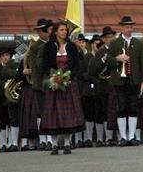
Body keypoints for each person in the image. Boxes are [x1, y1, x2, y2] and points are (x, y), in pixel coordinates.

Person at [40, 21, 85, 155]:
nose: (64, 32)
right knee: (52, 114)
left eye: (65, 30)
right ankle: (54, 145)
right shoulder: (48, 46)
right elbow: (44, 65)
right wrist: (54, 77)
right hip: (54, 83)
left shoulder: (71, 46)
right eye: (61, 30)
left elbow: (77, 65)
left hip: (68, 84)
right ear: (55, 32)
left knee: (68, 114)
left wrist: (68, 77)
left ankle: (66, 144)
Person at [106, 16, 143, 146]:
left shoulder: (138, 43)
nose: (129, 29)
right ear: (122, 28)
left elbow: (142, 64)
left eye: (131, 26)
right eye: (127, 27)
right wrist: (117, 58)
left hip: (134, 79)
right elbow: (108, 61)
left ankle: (131, 136)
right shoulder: (114, 43)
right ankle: (123, 137)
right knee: (121, 107)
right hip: (119, 80)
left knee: (133, 107)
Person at [29, 18, 54, 150]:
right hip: (40, 83)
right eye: (45, 30)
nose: (46, 33)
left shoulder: (52, 43)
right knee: (42, 111)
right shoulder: (35, 46)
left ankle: (51, 139)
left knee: (50, 111)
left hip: (51, 82)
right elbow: (36, 66)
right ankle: (44, 139)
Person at [77, 33, 96, 147]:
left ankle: (88, 138)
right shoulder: (74, 54)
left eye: (83, 42)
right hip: (78, 87)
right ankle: (79, 139)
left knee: (89, 113)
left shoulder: (89, 55)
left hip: (88, 88)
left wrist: (88, 76)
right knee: (78, 114)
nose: (81, 44)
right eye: (79, 42)